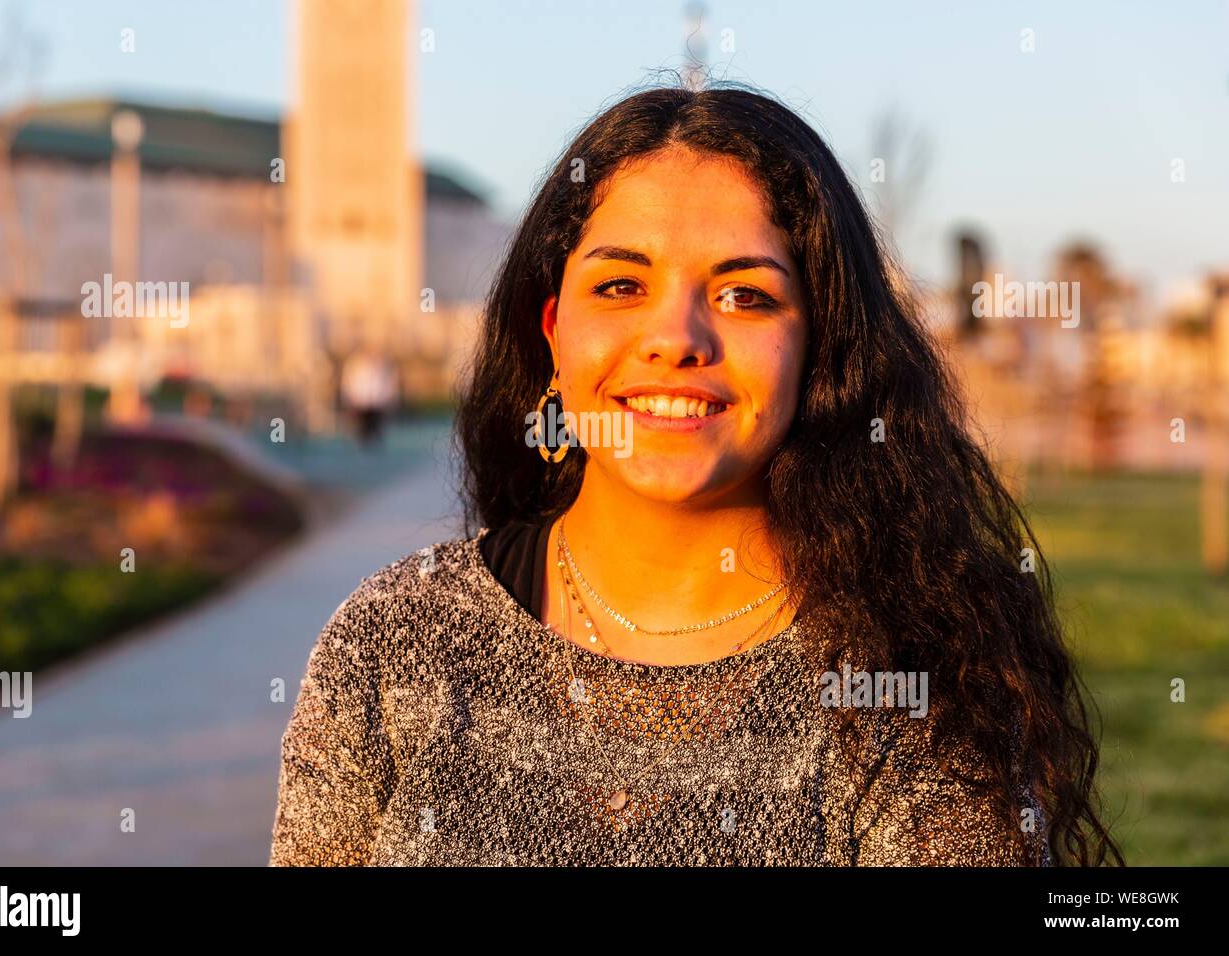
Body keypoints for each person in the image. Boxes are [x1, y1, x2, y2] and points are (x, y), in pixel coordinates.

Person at [269, 83, 1122, 866]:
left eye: (746, 296)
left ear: (817, 347)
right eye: (620, 286)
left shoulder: (912, 685)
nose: (676, 338)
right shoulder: (392, 644)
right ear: (554, 333)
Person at [340, 347, 398, 444]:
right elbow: (350, 385)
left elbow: (387, 386)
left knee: (375, 431)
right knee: (362, 432)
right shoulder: (355, 366)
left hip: (376, 404)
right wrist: (350, 399)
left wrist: (388, 400)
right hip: (361, 403)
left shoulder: (382, 367)